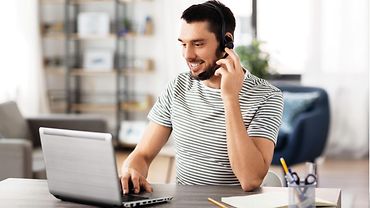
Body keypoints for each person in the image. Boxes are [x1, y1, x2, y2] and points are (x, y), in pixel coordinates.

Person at [120, 0, 283, 193]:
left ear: (226, 40)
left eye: (198, 44)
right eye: (183, 44)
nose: (188, 55)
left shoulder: (267, 96)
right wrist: (131, 167)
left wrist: (230, 98)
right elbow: (143, 154)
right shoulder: (177, 87)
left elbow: (250, 179)